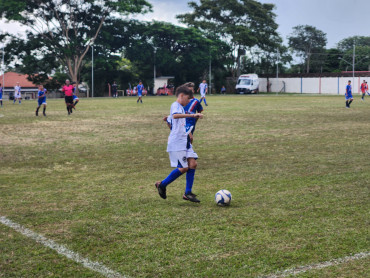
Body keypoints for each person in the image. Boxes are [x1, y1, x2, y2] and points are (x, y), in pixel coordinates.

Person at [155, 86, 203, 202]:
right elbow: (175, 116)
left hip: (184, 140)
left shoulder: (181, 108)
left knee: (193, 164)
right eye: (187, 99)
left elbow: (174, 123)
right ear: (181, 96)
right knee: (184, 167)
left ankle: (188, 193)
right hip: (177, 143)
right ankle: (163, 184)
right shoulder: (175, 106)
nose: (188, 101)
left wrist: (188, 133)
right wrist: (193, 115)